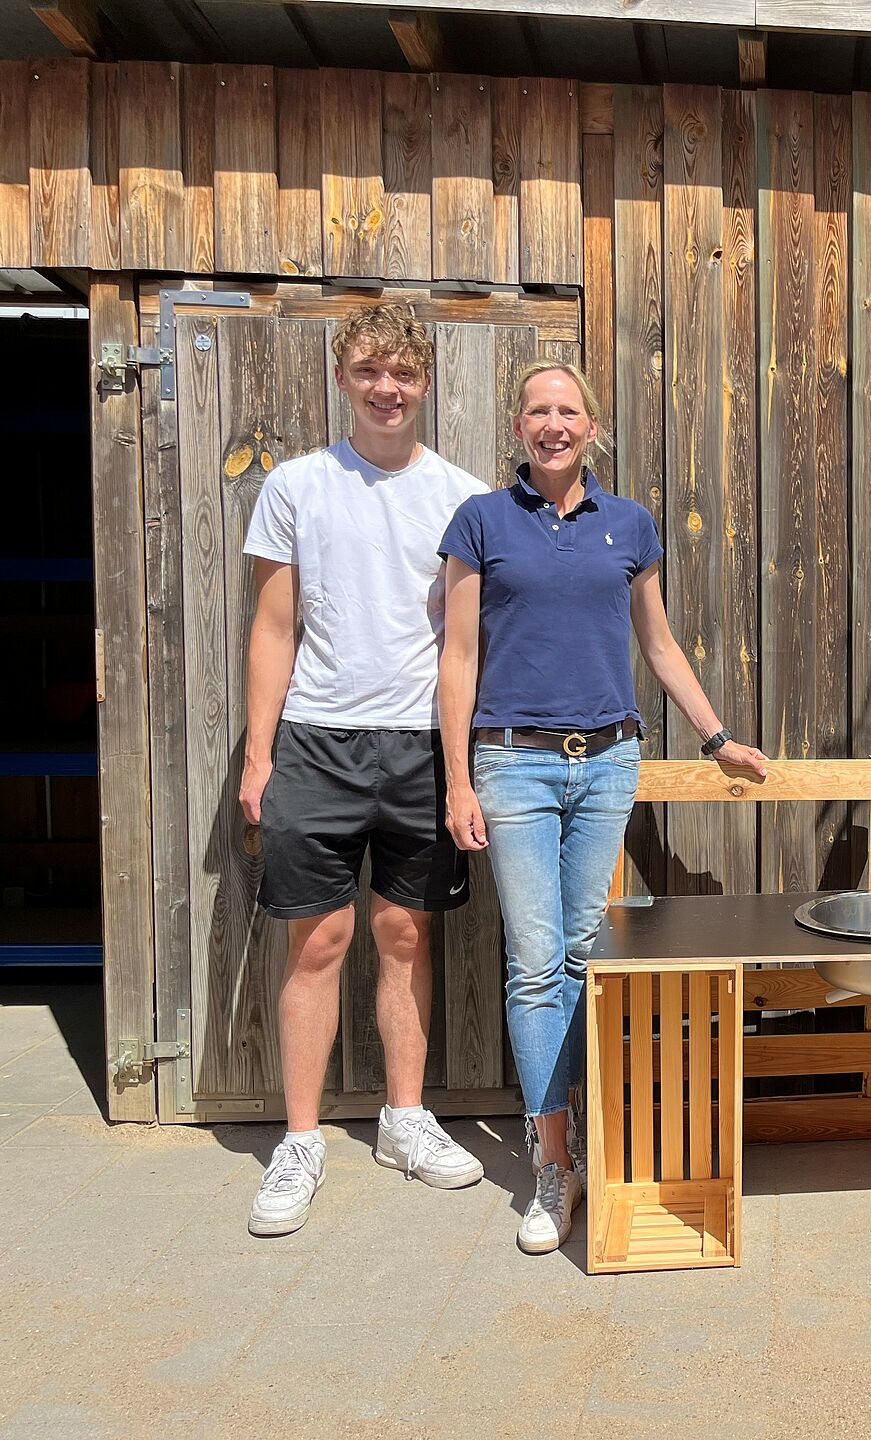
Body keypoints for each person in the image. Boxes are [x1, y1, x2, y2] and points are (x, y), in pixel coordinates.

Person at [437, 362, 770, 1255]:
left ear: (591, 425)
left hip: (608, 763)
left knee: (586, 956)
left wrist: (715, 737)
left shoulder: (628, 524)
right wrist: (458, 780)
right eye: (539, 411)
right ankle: (554, 1164)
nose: (554, 425)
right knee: (535, 961)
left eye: (569, 411)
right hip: (512, 766)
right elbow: (458, 659)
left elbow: (657, 644)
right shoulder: (480, 522)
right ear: (519, 426)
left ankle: (588, 1136)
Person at [240, 304, 490, 1237]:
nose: (388, 388)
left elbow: (470, 643)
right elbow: (273, 626)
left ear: (426, 381)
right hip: (316, 739)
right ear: (343, 376)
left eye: (404, 372)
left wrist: (465, 765)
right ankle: (300, 1139)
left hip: (423, 747)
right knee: (316, 944)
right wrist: (260, 754)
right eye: (369, 370)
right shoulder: (298, 485)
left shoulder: (462, 498)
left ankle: (405, 1118)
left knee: (406, 936)